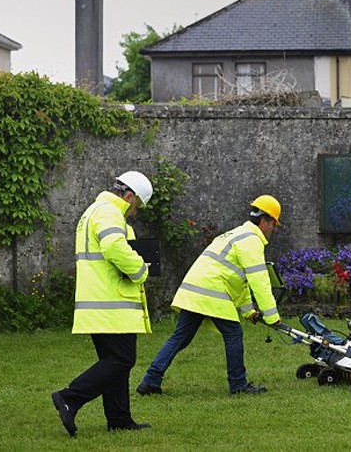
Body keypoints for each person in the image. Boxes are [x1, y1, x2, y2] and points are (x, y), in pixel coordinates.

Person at [136, 195, 282, 396]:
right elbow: (259, 282)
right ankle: (238, 384)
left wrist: (249, 311)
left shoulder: (235, 234)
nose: (273, 230)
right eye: (274, 224)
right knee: (233, 334)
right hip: (212, 292)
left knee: (180, 338)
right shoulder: (251, 241)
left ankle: (150, 381)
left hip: (194, 290)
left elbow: (238, 281)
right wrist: (273, 317)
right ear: (265, 221)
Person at [51, 171, 154, 437]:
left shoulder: (94, 211)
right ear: (129, 196)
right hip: (112, 302)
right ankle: (69, 398)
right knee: (121, 360)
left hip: (99, 303)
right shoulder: (109, 212)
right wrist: (141, 270)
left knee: (114, 361)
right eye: (137, 206)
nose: (135, 212)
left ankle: (119, 418)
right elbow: (113, 247)